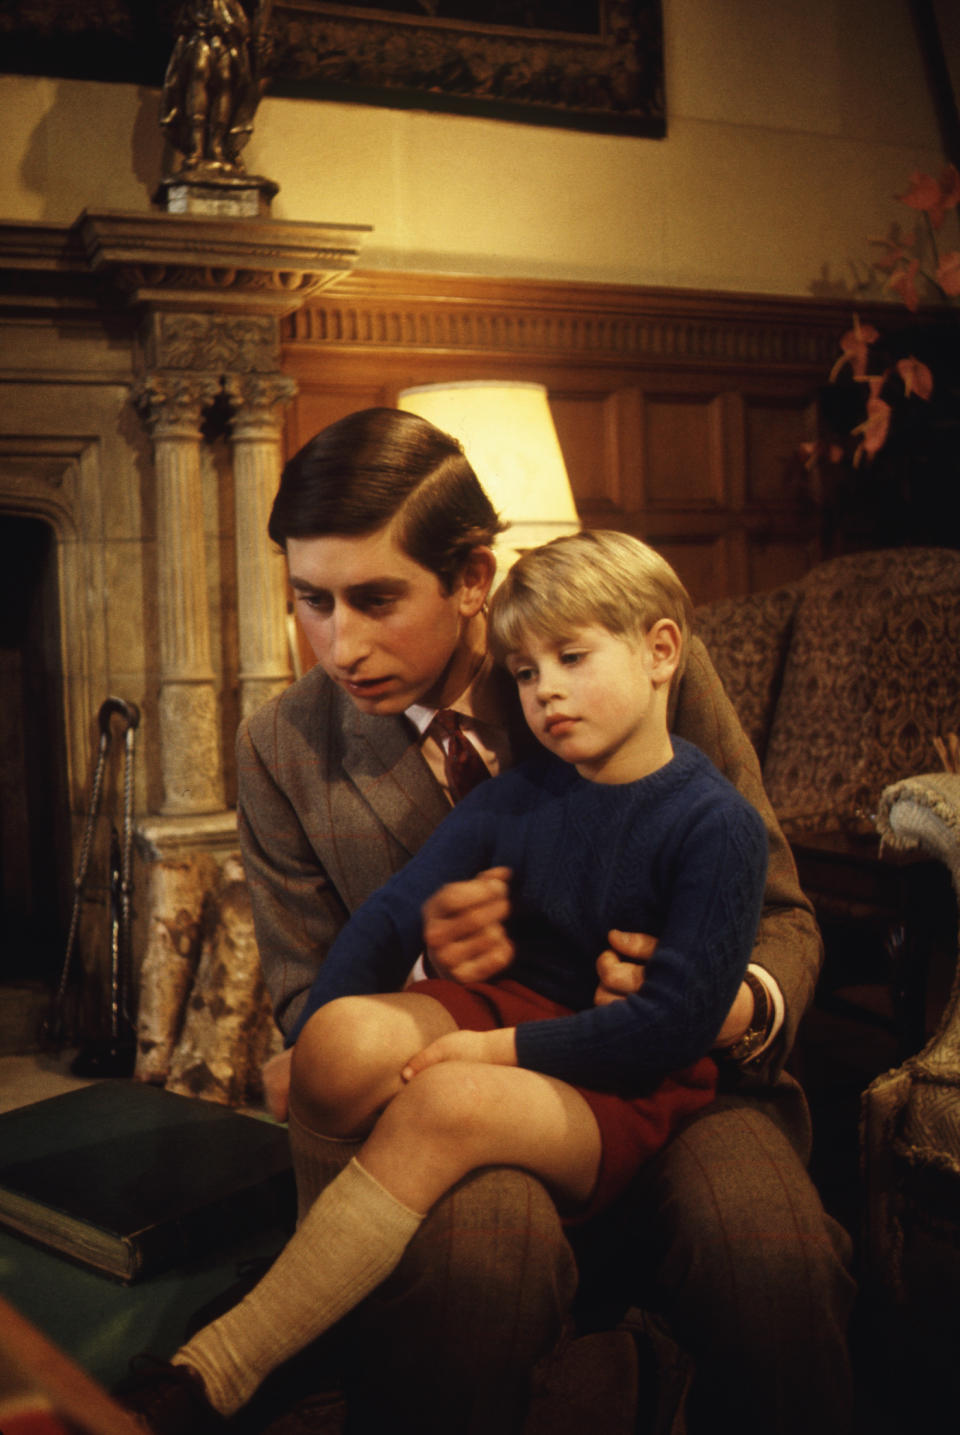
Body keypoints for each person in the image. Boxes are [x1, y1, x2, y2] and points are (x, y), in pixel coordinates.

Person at [123, 407, 855, 1435]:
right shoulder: (280, 748)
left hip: (685, 1079)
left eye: (376, 599)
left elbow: (783, 910)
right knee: (477, 1272)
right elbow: (307, 988)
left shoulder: (621, 665)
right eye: (312, 601)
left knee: (769, 1245)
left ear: (472, 577)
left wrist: (731, 1003)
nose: (340, 643)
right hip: (453, 1096)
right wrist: (423, 966)